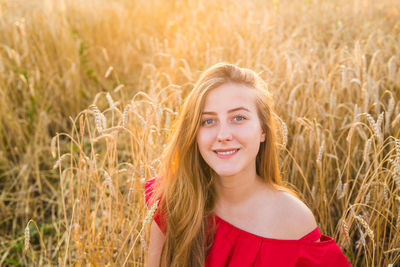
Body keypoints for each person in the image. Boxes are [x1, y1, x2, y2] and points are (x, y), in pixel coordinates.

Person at [144, 63, 351, 267]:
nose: (223, 135)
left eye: (238, 118)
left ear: (263, 131)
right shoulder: (172, 200)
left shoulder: (294, 221)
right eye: (208, 121)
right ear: (194, 133)